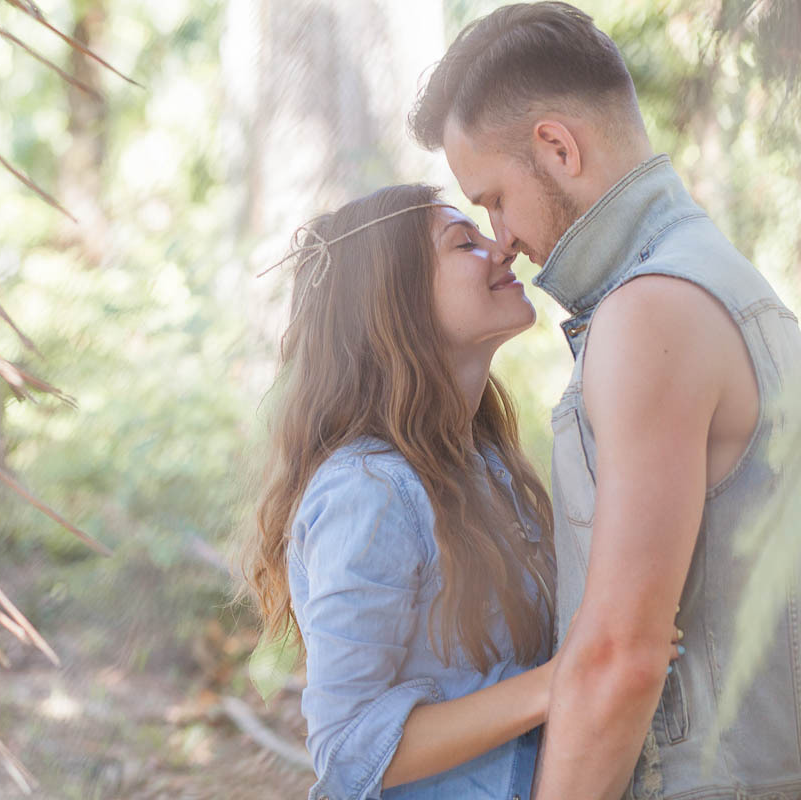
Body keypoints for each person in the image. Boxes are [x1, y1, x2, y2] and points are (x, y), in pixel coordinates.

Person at [409, 3, 801, 799]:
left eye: (494, 197)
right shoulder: (721, 280)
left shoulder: (648, 313)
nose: (501, 236)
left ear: (557, 146)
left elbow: (622, 653)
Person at [241, 183, 679, 800]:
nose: (501, 248)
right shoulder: (368, 492)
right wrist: (563, 679)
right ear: (397, 301)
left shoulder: (485, 466)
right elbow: (346, 749)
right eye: (463, 242)